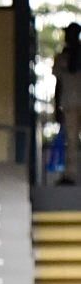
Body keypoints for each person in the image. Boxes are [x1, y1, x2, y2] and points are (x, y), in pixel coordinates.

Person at [54, 23, 81, 184]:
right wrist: (56, 107)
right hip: (69, 103)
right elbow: (58, 84)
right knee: (71, 140)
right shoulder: (61, 57)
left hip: (71, 101)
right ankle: (71, 175)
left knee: (72, 140)